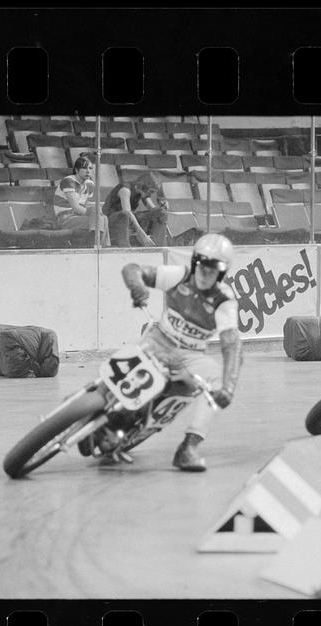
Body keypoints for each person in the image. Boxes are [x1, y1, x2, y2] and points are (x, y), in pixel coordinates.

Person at [120, 233, 243, 471]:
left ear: (222, 272)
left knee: (215, 379)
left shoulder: (224, 300)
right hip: (158, 340)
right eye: (202, 265)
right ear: (195, 262)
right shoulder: (179, 276)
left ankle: (189, 447)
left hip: (190, 355)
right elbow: (133, 269)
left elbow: (231, 344)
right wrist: (137, 286)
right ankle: (95, 395)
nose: (206, 273)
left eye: (213, 268)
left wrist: (228, 386)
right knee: (123, 365)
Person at [53, 155, 110, 244]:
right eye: (84, 168)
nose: (88, 171)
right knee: (100, 218)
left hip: (79, 217)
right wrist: (94, 212)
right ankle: (97, 247)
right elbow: (76, 208)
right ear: (76, 170)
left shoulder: (89, 184)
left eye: (90, 168)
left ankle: (99, 247)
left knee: (104, 218)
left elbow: (85, 205)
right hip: (66, 218)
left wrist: (95, 211)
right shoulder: (68, 181)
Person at [101, 176, 167, 248]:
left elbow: (153, 210)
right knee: (125, 215)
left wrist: (162, 207)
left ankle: (156, 245)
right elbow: (127, 213)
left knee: (161, 213)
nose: (150, 195)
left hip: (127, 219)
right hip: (110, 221)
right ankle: (126, 247)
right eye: (150, 191)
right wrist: (143, 235)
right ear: (143, 186)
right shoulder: (125, 190)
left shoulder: (141, 192)